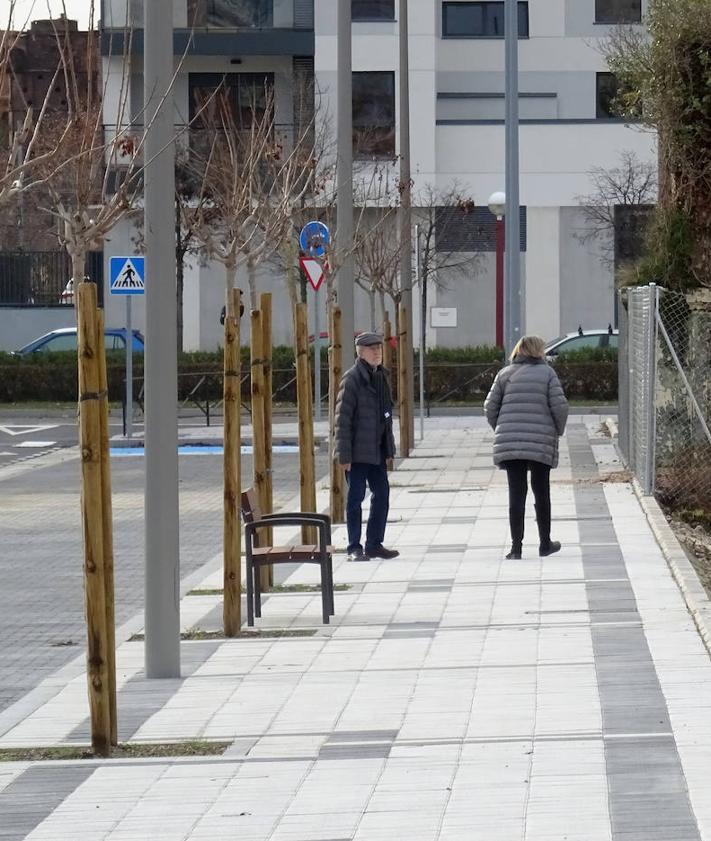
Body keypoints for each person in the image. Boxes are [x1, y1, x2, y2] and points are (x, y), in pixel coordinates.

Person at [484, 335, 569, 559]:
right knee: (541, 491)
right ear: (539, 351)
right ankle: (544, 544)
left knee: (516, 493)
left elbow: (489, 407)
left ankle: (516, 548)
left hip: (510, 442)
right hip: (540, 441)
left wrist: (502, 428)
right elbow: (560, 407)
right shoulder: (548, 374)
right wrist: (556, 430)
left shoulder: (504, 374)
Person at [335, 332, 399, 562]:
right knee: (355, 499)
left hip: (377, 451)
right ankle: (354, 546)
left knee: (382, 494)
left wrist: (389, 449)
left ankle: (374, 543)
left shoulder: (381, 377)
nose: (377, 352)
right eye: (372, 349)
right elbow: (342, 419)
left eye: (379, 348)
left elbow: (386, 416)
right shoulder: (352, 379)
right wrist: (344, 454)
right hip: (357, 452)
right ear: (360, 352)